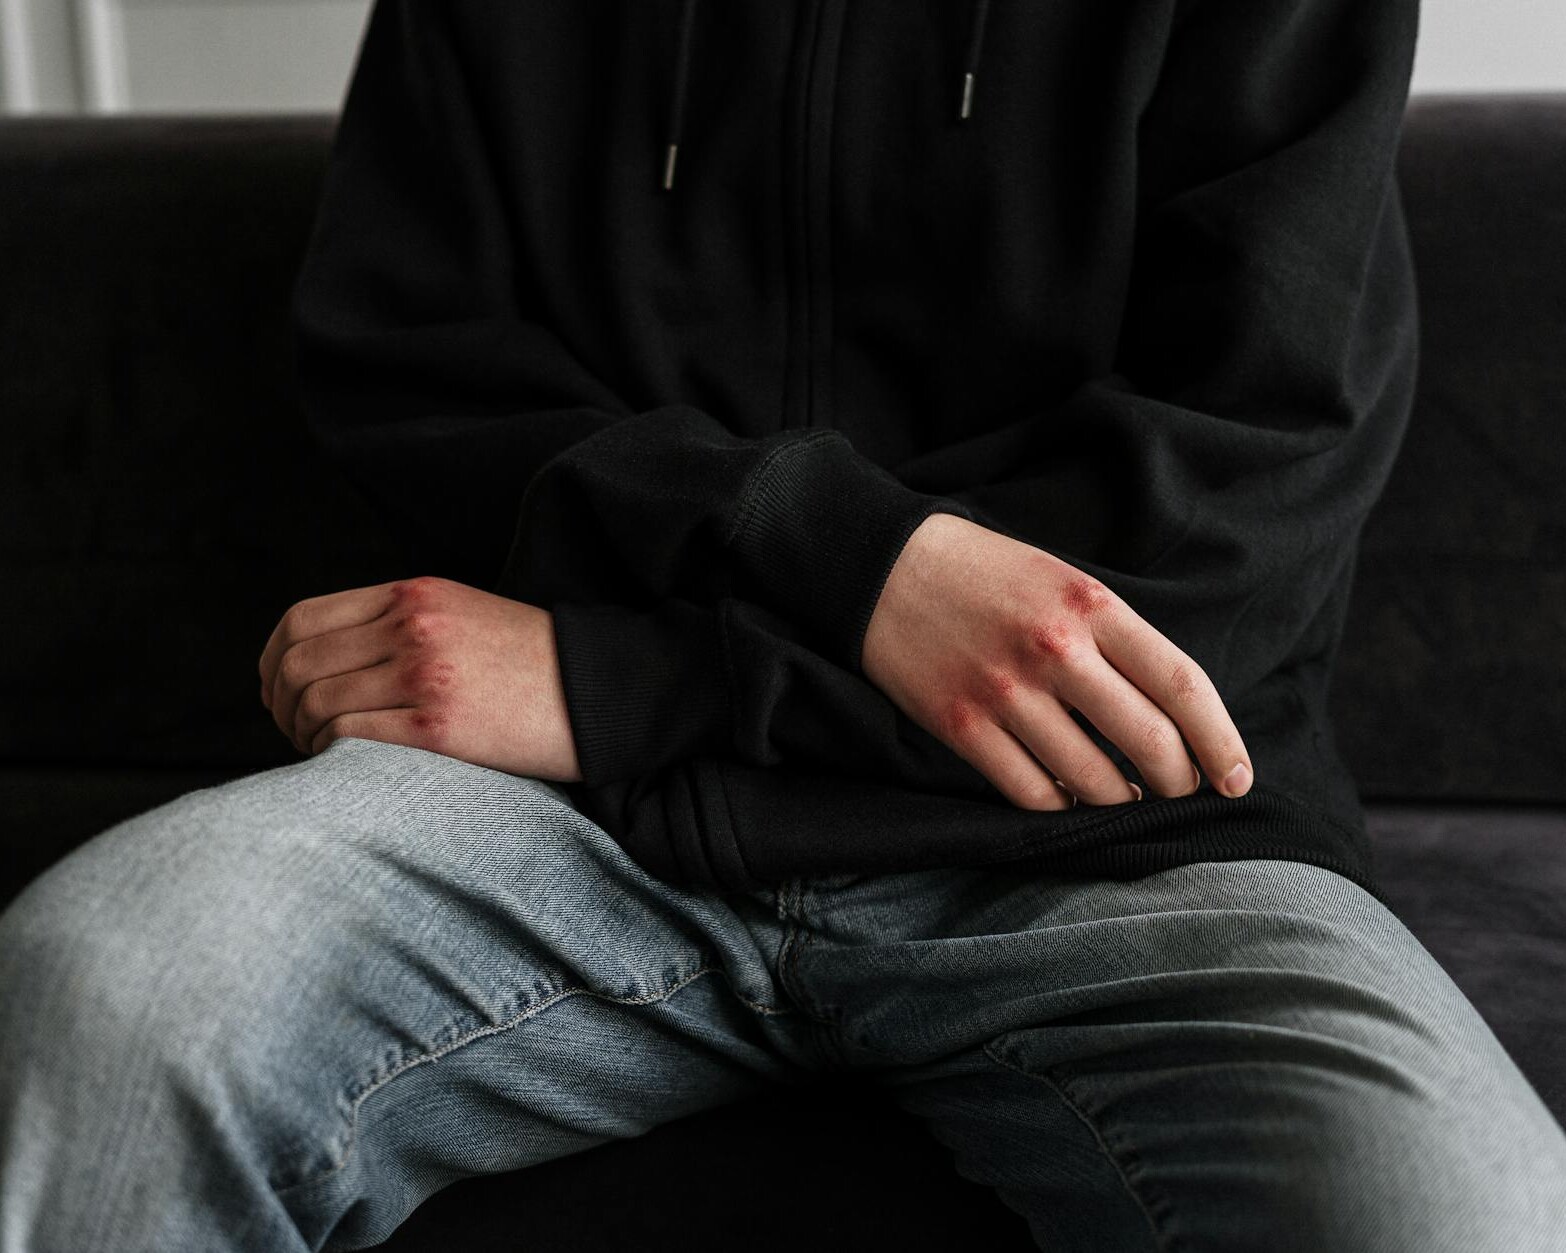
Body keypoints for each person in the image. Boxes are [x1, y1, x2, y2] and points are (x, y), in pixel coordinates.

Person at [2, 0, 1564, 1249]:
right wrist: (856, 564)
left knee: (1468, 1217)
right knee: (108, 984)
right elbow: (410, 372)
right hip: (566, 829)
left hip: (1108, 843)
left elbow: (1231, 531)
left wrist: (623, 683)